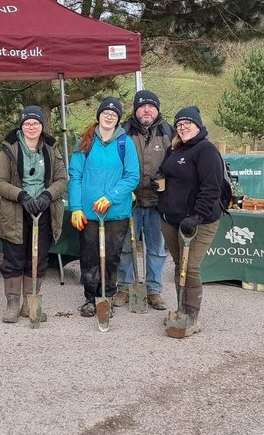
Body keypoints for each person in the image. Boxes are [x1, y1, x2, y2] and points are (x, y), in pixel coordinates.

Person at [0, 105, 67, 323]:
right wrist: (22, 195)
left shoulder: (51, 148)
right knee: (14, 258)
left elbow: (62, 180)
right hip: (15, 210)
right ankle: (13, 303)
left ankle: (30, 302)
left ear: (41, 126)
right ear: (21, 126)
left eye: (36, 123)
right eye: (27, 123)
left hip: (44, 211)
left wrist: (46, 195)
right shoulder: (9, 149)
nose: (31, 127)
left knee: (38, 258)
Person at [68, 97, 140, 316]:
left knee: (111, 256)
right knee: (89, 256)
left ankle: (107, 296)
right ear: (98, 115)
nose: (109, 116)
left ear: (118, 119)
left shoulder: (124, 143)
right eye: (105, 112)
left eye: (114, 114)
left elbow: (132, 176)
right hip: (89, 212)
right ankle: (91, 298)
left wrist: (111, 197)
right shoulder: (86, 142)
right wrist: (76, 207)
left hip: (116, 211)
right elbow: (75, 175)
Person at [158, 106, 223, 337]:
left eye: (187, 123)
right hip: (172, 219)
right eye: (179, 124)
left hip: (199, 221)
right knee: (180, 266)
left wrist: (197, 216)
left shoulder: (206, 150)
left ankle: (191, 316)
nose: (182, 127)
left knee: (191, 267)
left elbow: (211, 187)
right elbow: (167, 173)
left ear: (198, 125)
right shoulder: (175, 148)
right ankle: (180, 309)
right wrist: (160, 177)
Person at [114, 90, 172, 310]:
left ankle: (153, 290)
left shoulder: (167, 131)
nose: (146, 110)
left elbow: (175, 161)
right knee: (126, 247)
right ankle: (125, 286)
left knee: (156, 249)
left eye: (151, 106)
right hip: (131, 202)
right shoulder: (124, 132)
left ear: (157, 109)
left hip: (158, 202)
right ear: (135, 110)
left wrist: (165, 178)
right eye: (142, 106)